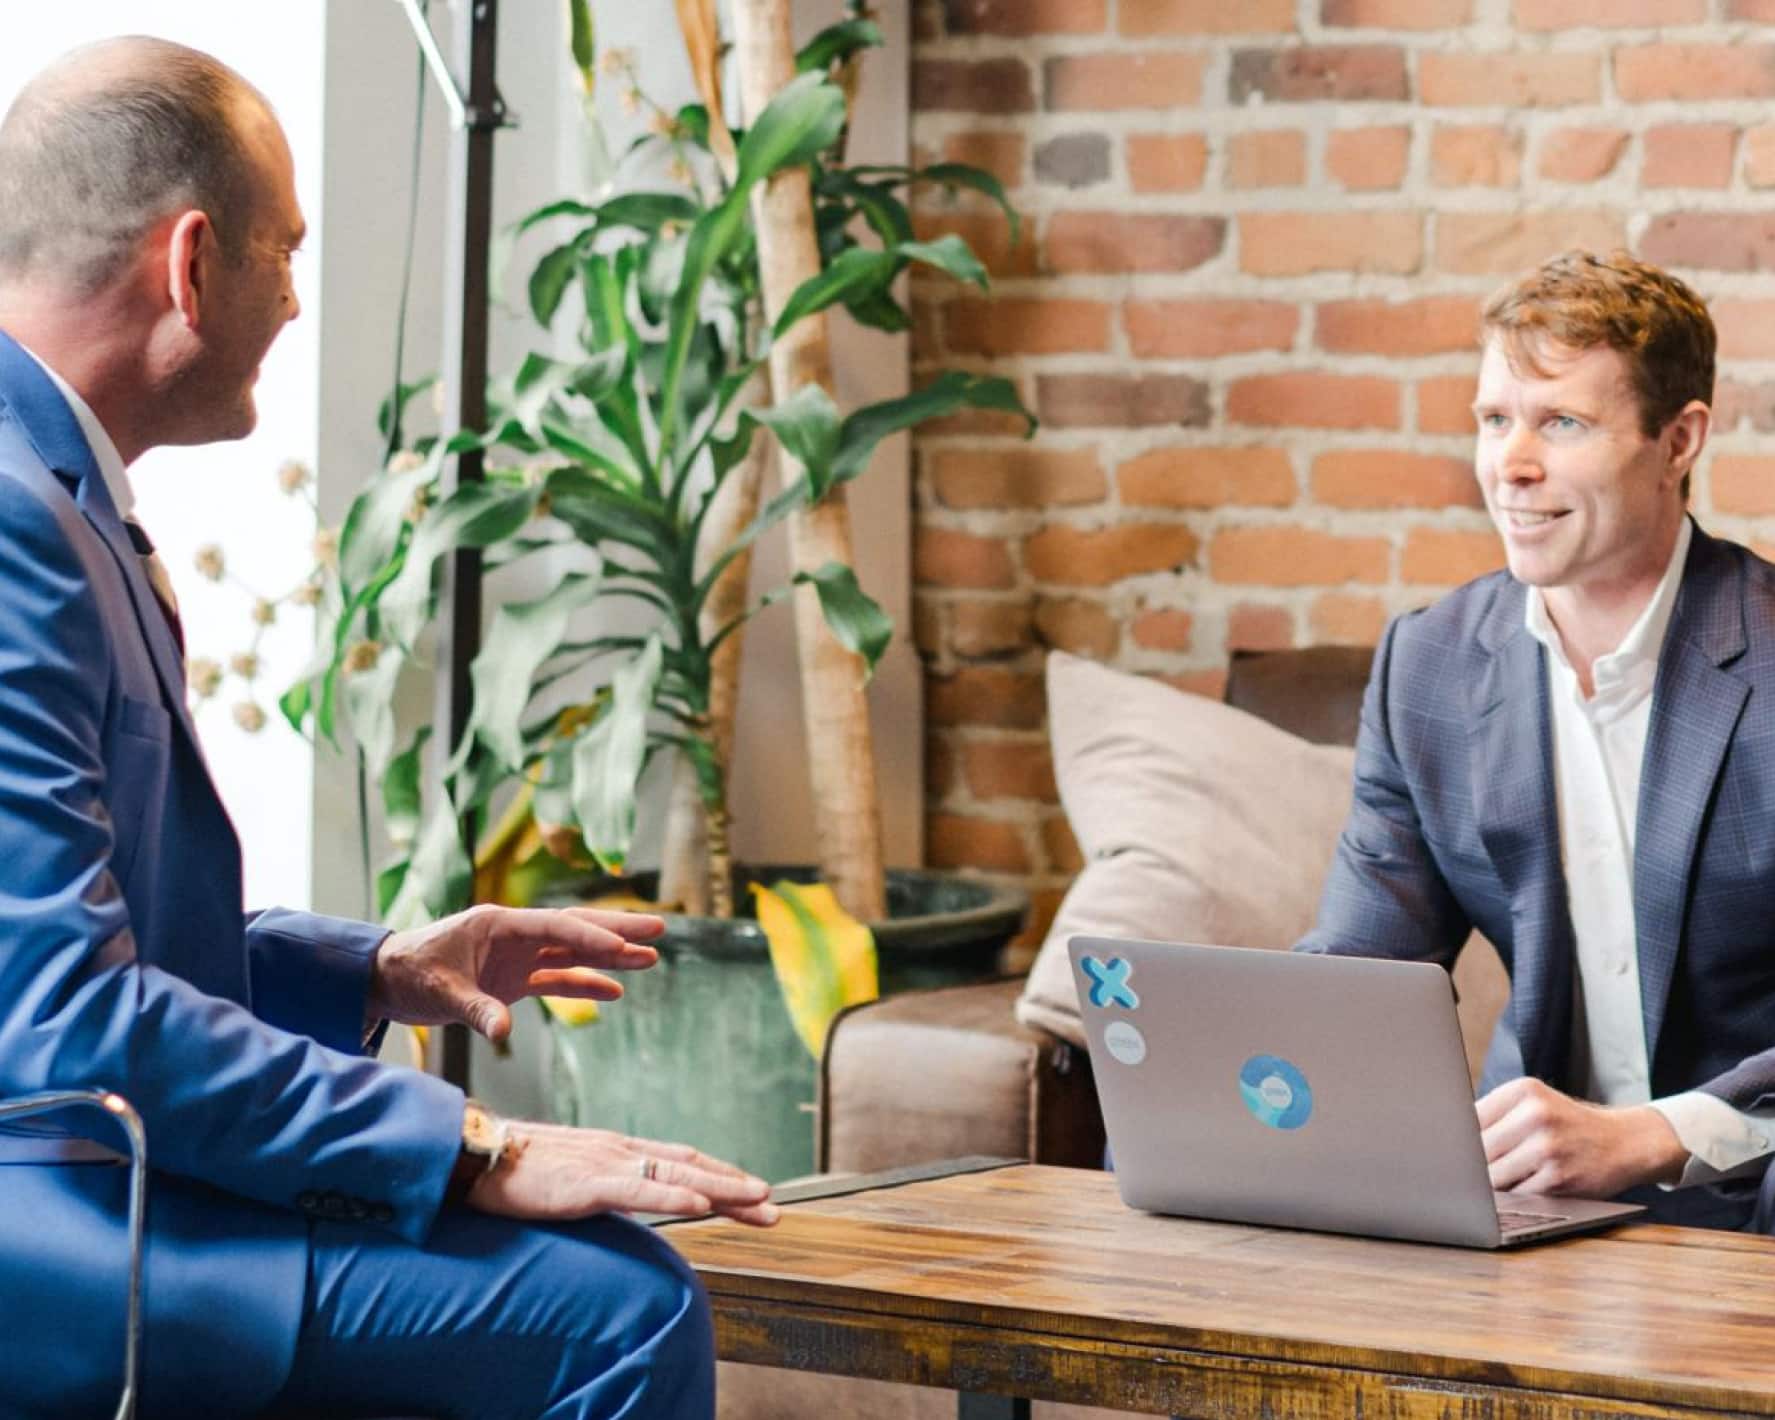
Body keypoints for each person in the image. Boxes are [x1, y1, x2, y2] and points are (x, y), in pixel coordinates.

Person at [0, 36, 775, 1420]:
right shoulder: (14, 523)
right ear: (189, 265)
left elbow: (74, 949)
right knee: (619, 1311)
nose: (295, 302)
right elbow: (60, 1017)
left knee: (603, 1268)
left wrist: (378, 969)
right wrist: (475, 1143)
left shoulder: (49, 487)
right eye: (281, 253)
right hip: (57, 1222)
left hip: (81, 1161)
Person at [1297, 248, 1775, 1233]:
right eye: (1491, 420)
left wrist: (1655, 1134)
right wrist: (1231, 1064)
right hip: (1525, 1194)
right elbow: (1359, 964)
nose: (1509, 464)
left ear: (1676, 440)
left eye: (1558, 422)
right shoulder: (1425, 663)